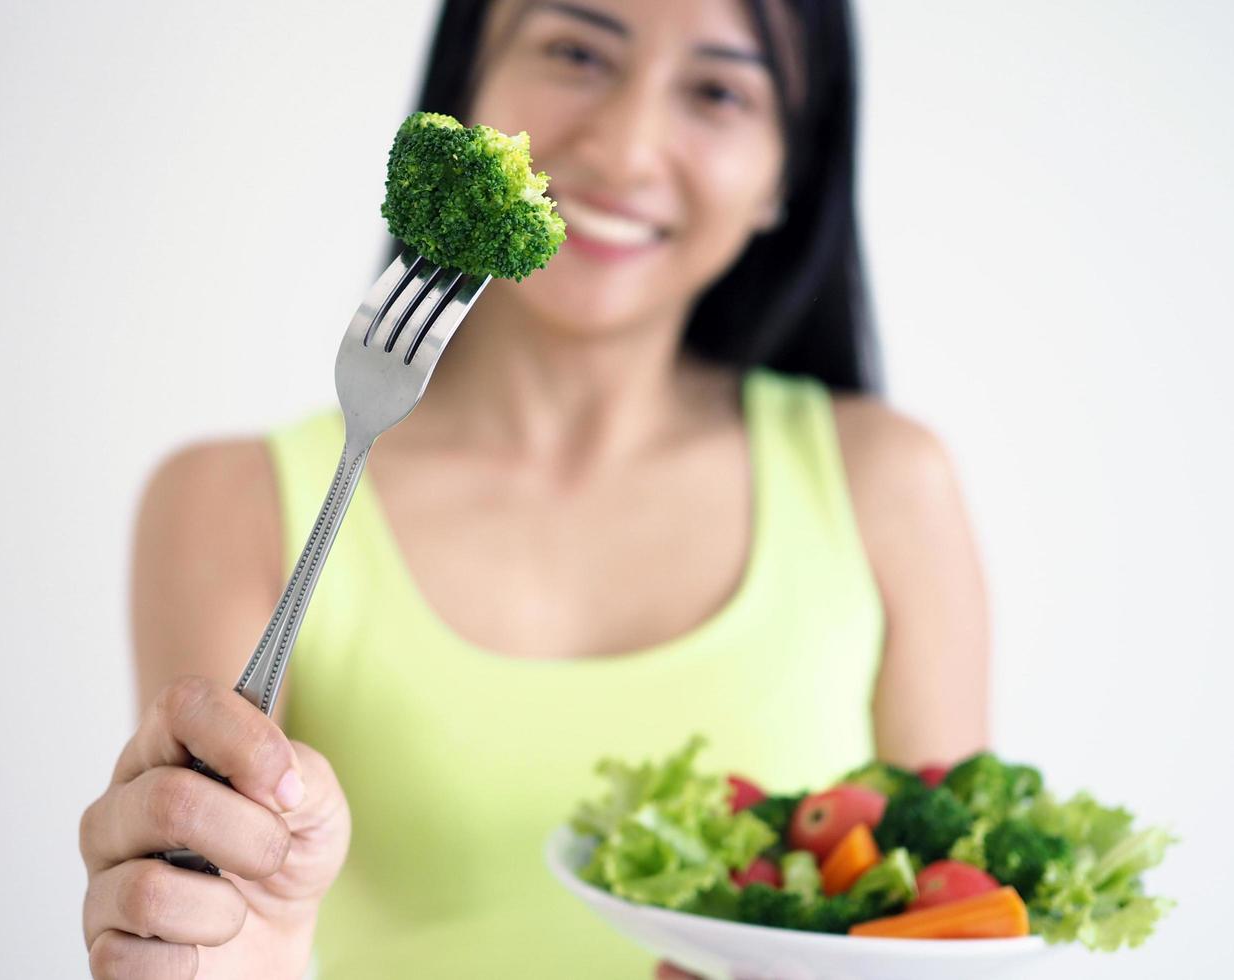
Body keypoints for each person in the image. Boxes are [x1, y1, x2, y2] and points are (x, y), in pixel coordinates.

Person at [77, 0, 990, 975]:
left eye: (719, 90)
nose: (627, 146)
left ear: (786, 176)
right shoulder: (227, 500)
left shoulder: (890, 485)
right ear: (465, 83)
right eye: (576, 51)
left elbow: (957, 927)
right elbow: (214, 925)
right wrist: (227, 951)